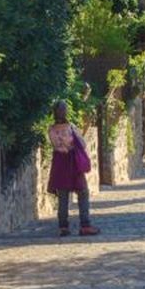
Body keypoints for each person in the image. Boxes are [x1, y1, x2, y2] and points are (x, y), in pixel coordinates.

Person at [47, 100, 100, 237]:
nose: (64, 111)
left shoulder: (52, 130)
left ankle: (63, 227)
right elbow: (82, 143)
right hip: (73, 162)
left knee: (63, 195)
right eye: (63, 109)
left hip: (60, 163)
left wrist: (64, 145)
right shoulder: (71, 127)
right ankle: (85, 225)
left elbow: (56, 145)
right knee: (82, 192)